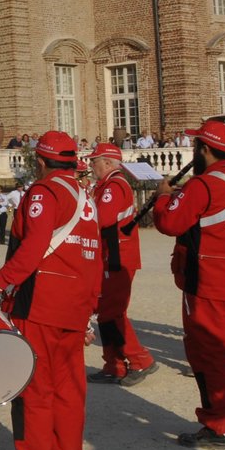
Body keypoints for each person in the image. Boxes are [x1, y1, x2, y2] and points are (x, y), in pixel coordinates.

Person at [0, 131, 101, 450]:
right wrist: (90, 312)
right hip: (75, 308)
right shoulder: (85, 197)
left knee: (33, 388)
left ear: (41, 161)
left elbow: (32, 249)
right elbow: (95, 259)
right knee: (70, 391)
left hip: (41, 304)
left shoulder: (44, 193)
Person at [154, 119, 225, 447]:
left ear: (204, 149)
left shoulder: (202, 185)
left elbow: (169, 223)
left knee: (208, 355)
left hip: (210, 284)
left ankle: (220, 424)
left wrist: (164, 197)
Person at [86, 141, 157, 386]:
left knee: (112, 312)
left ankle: (141, 360)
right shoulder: (108, 184)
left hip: (116, 257)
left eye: (93, 161)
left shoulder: (113, 185)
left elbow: (101, 218)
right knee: (106, 312)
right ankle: (113, 365)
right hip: (112, 255)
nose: (91, 165)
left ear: (107, 162)